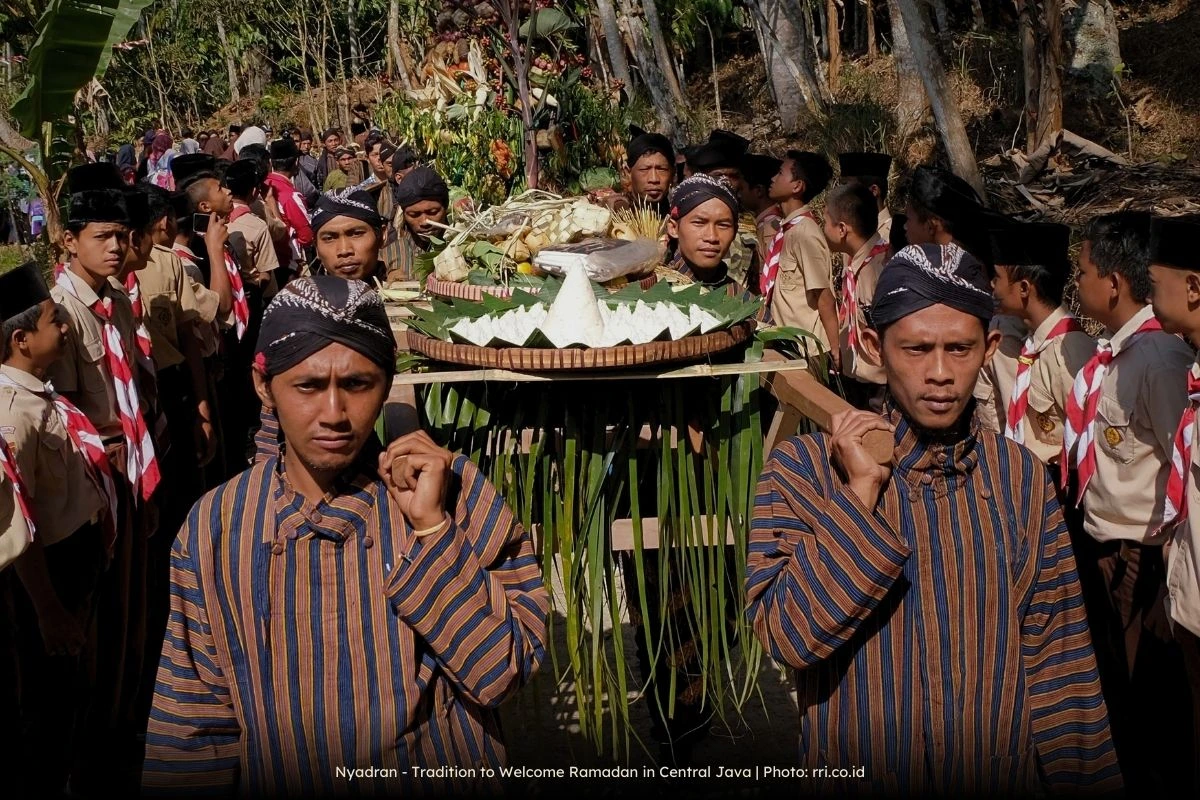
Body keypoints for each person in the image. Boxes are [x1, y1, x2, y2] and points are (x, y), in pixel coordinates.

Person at [142, 276, 549, 795]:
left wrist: (431, 531)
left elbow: (502, 675)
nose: (333, 414)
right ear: (263, 385)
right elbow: (193, 722)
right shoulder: (216, 528)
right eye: (308, 386)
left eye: (357, 385)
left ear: (386, 382)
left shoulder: (453, 494)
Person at [746, 241, 1122, 795]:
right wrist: (860, 495)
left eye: (961, 349)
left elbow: (1059, 661)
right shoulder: (804, 472)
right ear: (874, 346)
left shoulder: (1017, 479)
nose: (941, 373)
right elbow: (788, 636)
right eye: (917, 349)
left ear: (990, 346)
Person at [1069, 210, 1195, 793]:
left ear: (1113, 283)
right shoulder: (1115, 354)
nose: (1077, 282)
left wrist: (1168, 572)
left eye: (1084, 270)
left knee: (1150, 697)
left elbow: (1180, 470)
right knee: (1117, 684)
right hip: (1107, 541)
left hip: (1143, 557)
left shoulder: (1161, 360)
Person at [49, 162, 159, 792]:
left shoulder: (114, 301)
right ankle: (92, 750)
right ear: (70, 240)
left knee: (131, 605)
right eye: (102, 236)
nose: (118, 247)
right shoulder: (59, 312)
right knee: (101, 615)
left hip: (132, 468)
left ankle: (126, 721)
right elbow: (61, 411)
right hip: (95, 480)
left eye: (122, 235)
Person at [0, 262, 114, 797]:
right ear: (21, 339)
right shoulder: (11, 414)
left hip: (75, 564)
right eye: (53, 320)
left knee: (71, 695)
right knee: (46, 706)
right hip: (48, 580)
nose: (65, 327)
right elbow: (15, 527)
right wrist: (48, 610)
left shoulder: (38, 394)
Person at [1145, 215, 1200, 790]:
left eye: (1155, 282)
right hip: (1189, 606)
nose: (1148, 292)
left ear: (1193, 287)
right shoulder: (1192, 376)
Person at [982, 221, 1093, 470]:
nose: (991, 285)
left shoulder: (1070, 351)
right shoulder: (1030, 343)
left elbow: (1087, 437)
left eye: (997, 278)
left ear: (1023, 288)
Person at [763, 151, 837, 367]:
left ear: (797, 186)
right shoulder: (786, 230)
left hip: (807, 350)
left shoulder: (805, 233)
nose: (772, 179)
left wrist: (835, 350)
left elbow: (824, 297)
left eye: (780, 173)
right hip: (786, 346)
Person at [822, 182, 887, 407]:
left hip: (879, 387)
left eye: (825, 222)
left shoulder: (879, 269)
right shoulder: (855, 264)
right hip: (857, 378)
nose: (823, 229)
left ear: (842, 229)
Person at [664, 174, 743, 297]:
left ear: (735, 231)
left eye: (723, 225)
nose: (712, 237)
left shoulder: (743, 302)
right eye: (699, 223)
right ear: (673, 228)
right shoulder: (648, 290)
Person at [264, 137, 315, 277]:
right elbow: (306, 235)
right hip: (289, 261)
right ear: (296, 162)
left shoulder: (262, 186)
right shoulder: (290, 196)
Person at [391, 166, 450, 282]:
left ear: (445, 208)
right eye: (414, 215)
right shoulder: (388, 254)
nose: (424, 222)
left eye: (433, 212)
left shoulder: (465, 248)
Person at [838, 152, 893, 243]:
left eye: (847, 186)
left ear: (873, 190)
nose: (842, 193)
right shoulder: (851, 230)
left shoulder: (891, 237)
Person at [739, 153, 782, 265]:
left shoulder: (771, 228)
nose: (739, 194)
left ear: (758, 191)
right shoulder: (764, 223)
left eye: (741, 189)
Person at [623, 126, 673, 213]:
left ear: (672, 174)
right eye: (644, 169)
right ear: (628, 173)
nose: (654, 179)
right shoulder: (614, 216)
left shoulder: (680, 219)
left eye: (662, 169)